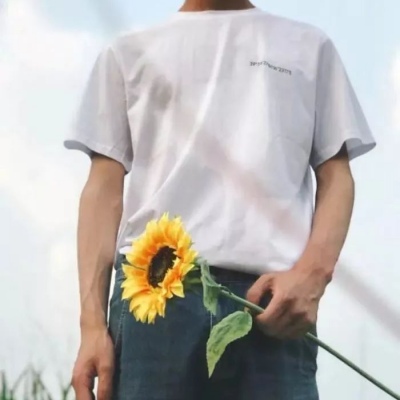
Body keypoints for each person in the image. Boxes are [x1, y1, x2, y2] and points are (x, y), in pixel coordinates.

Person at [64, 0, 376, 399]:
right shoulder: (126, 53)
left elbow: (337, 176)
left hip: (271, 303)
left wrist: (313, 274)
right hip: (152, 303)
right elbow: (102, 192)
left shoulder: (309, 47)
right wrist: (91, 325)